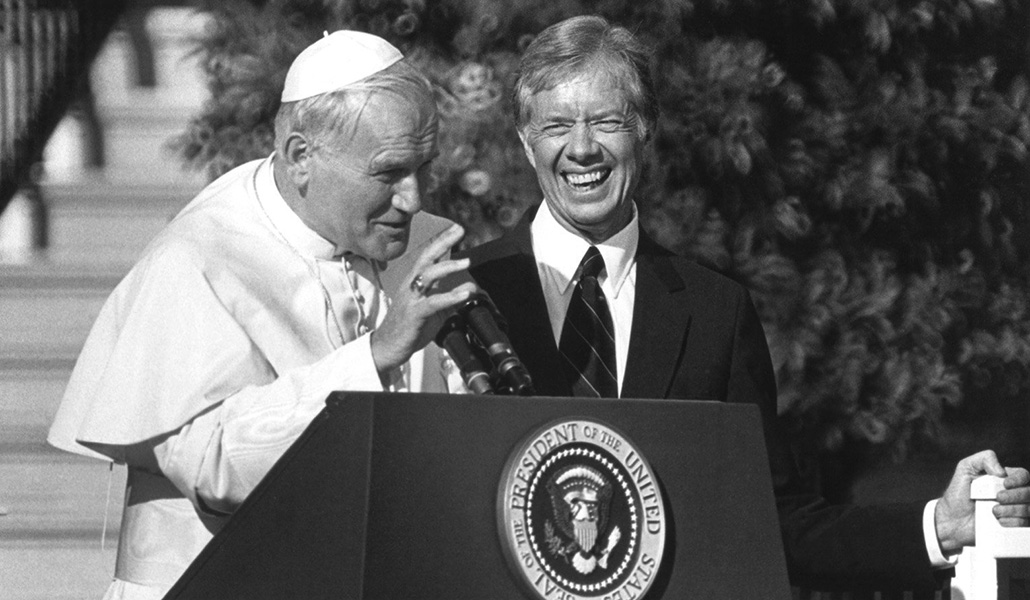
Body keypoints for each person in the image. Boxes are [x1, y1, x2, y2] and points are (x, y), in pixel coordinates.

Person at [465, 15, 1030, 591]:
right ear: (524, 138)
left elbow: (774, 522)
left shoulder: (715, 312)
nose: (581, 148)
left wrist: (941, 525)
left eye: (608, 122)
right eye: (557, 124)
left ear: (647, 129)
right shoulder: (466, 294)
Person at [47, 31, 475, 599]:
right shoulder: (198, 259)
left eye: (422, 167)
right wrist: (372, 357)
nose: (413, 199)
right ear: (302, 158)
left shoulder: (414, 243)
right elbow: (212, 467)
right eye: (389, 172)